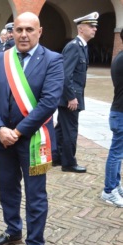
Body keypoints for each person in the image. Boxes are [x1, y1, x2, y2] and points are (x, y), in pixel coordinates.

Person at [0, 12, 64, 245]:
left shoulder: (53, 60)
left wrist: (16, 132)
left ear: (39, 32)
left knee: (35, 195)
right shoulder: (0, 59)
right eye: (19, 30)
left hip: (34, 140)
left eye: (30, 30)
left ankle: (35, 243)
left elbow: (49, 102)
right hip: (3, 139)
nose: (24, 34)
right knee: (7, 189)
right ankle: (13, 231)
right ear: (12, 32)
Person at [53, 12, 99, 173]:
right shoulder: (74, 47)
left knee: (61, 128)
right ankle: (69, 163)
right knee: (70, 130)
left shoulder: (82, 47)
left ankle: (57, 157)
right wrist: (71, 97)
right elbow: (66, 75)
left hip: (70, 96)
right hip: (70, 98)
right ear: (81, 29)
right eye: (91, 26)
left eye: (95, 26)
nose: (95, 29)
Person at [101, 29, 123, 207]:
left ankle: (115, 185)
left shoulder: (120, 57)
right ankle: (108, 190)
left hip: (119, 112)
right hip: (120, 113)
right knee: (116, 153)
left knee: (118, 152)